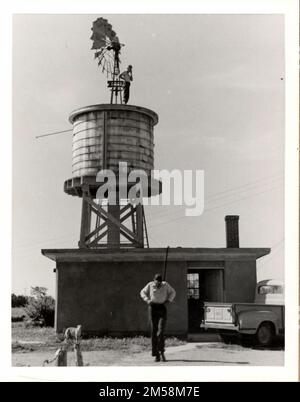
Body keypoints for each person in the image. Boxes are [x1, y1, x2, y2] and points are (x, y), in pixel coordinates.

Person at [140, 273, 176, 362]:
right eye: (156, 283)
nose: (158, 284)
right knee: (154, 331)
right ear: (154, 281)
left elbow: (173, 292)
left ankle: (161, 351)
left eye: (159, 283)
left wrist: (169, 300)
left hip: (162, 308)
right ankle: (156, 354)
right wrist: (147, 300)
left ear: (161, 281)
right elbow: (142, 292)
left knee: (161, 331)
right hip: (153, 308)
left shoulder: (166, 285)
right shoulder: (150, 285)